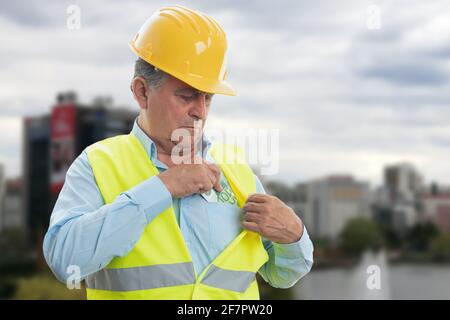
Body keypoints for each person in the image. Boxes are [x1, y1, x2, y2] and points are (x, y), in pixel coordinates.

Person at [43, 5, 313, 300]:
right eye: (186, 96)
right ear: (141, 92)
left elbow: (283, 274)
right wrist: (163, 187)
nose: (199, 111)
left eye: (207, 98)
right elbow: (65, 261)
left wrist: (295, 235)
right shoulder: (97, 164)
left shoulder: (236, 169)